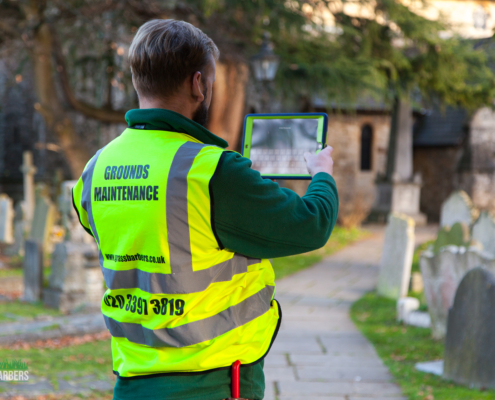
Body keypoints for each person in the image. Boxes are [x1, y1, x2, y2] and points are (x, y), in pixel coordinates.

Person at [72, 19, 338, 400]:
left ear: (137, 82)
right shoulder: (212, 171)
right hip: (211, 383)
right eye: (210, 81)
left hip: (132, 381)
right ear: (198, 84)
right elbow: (312, 224)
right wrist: (322, 175)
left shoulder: (94, 170)